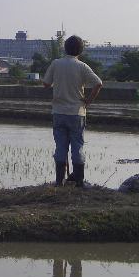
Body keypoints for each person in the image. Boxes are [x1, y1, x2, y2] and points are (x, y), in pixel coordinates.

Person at [43, 35, 103, 187]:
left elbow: (46, 84)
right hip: (77, 112)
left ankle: (59, 181)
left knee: (60, 146)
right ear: (80, 50)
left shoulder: (56, 63)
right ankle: (79, 182)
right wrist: (88, 101)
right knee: (77, 147)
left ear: (65, 48)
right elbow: (98, 83)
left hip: (58, 112)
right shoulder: (82, 66)